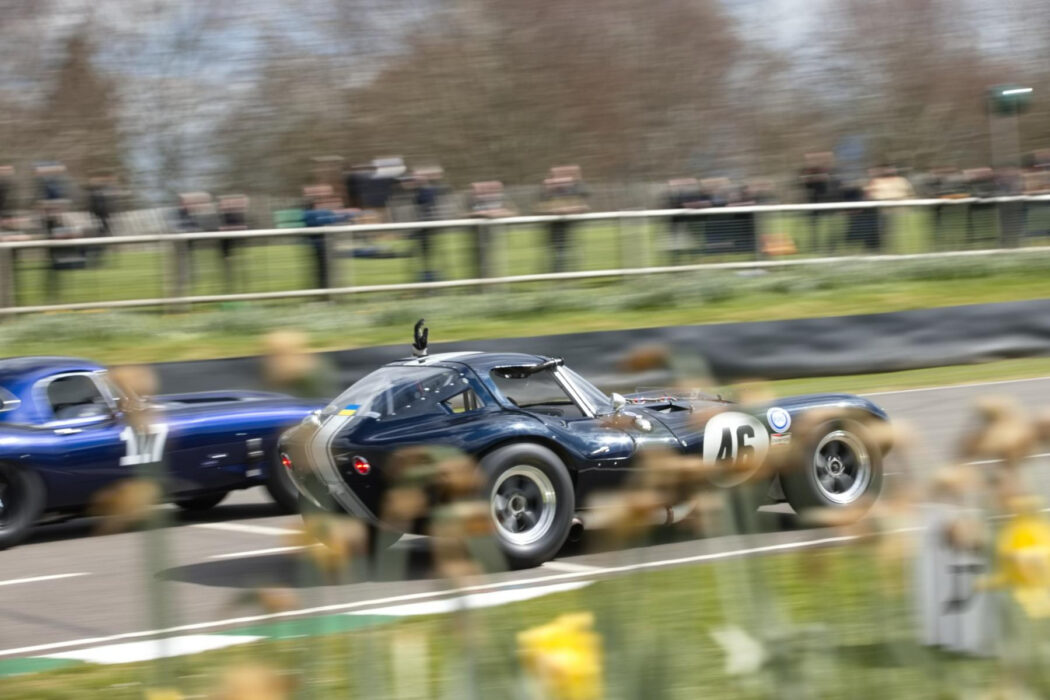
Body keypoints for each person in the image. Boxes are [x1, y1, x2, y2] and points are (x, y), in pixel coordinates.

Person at [537, 165, 589, 273]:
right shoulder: (547, 191)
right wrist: (555, 210)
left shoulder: (569, 191)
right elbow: (540, 208)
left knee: (565, 249)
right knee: (557, 250)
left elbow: (583, 201)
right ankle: (558, 273)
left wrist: (577, 176)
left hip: (566, 225)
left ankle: (564, 272)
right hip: (552, 226)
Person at [302, 186, 354, 290]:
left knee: (322, 269)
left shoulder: (309, 212)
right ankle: (327, 289)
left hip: (319, 244)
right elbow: (332, 219)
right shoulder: (318, 212)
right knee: (326, 270)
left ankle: (324, 289)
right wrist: (348, 215)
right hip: (322, 244)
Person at [467, 181, 516, 278]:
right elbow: (463, 214)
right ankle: (483, 279)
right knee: (480, 259)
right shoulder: (469, 200)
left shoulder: (501, 199)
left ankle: (492, 279)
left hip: (495, 235)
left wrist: (498, 213)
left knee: (493, 260)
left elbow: (513, 212)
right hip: (476, 235)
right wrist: (482, 214)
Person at [410, 167, 445, 282]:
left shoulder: (427, 190)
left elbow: (428, 206)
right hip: (423, 224)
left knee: (428, 250)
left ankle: (430, 273)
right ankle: (428, 271)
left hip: (427, 224)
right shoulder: (419, 190)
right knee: (424, 251)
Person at [217, 194, 249, 293]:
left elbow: (243, 228)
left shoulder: (235, 215)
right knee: (228, 270)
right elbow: (220, 229)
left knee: (238, 269)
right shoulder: (221, 216)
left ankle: (239, 289)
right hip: (226, 247)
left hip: (236, 246)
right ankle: (228, 288)